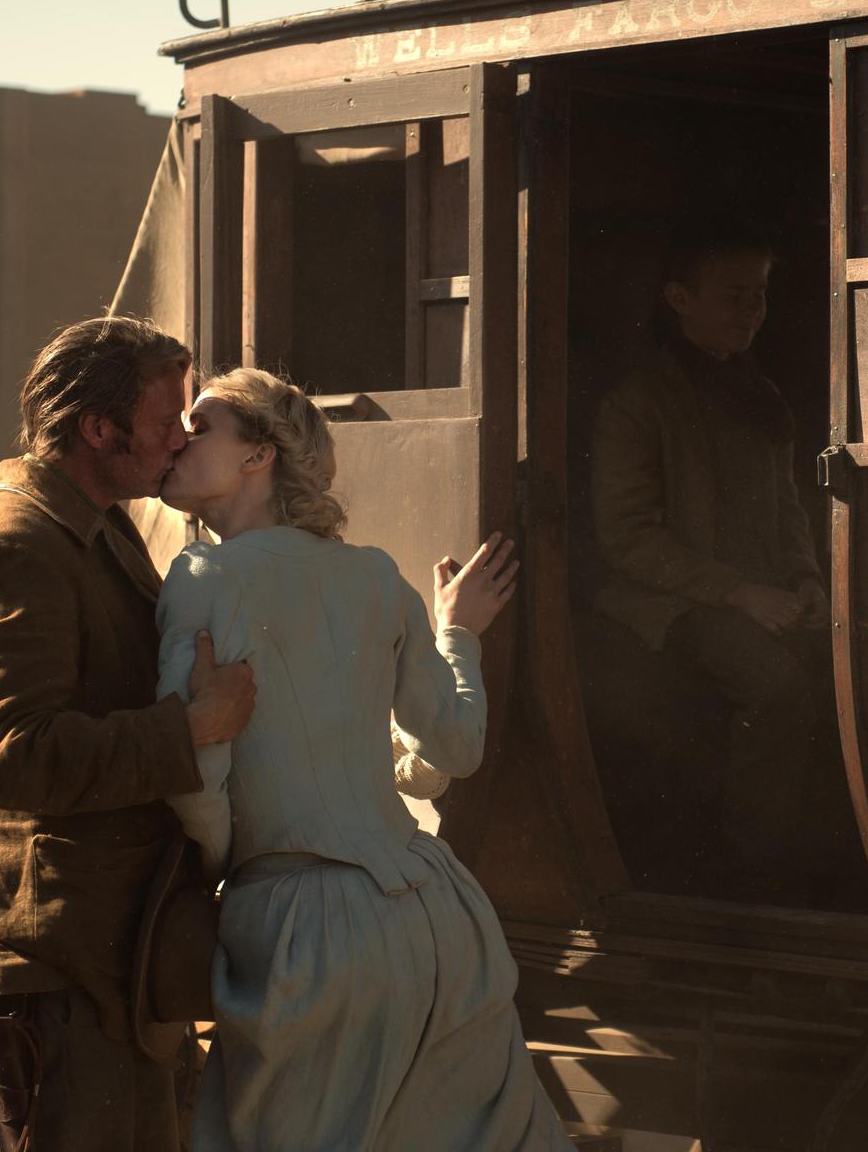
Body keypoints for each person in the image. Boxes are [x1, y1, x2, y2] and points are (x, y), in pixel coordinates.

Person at [155, 367, 570, 1152]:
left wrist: (209, 877)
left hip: (301, 936)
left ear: (258, 456)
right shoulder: (375, 575)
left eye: (201, 424)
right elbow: (453, 745)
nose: (179, 435)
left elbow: (201, 782)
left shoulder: (202, 577)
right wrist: (458, 635)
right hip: (439, 919)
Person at [0, 316, 259, 1152]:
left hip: (109, 952)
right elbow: (13, 756)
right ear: (98, 428)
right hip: (56, 964)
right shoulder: (16, 546)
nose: (179, 437)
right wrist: (186, 729)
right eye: (162, 421)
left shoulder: (95, 524)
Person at [590, 234, 854, 901]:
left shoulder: (762, 398)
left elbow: (790, 509)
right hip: (668, 603)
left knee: (847, 672)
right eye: (734, 294)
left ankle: (826, 866)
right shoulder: (638, 403)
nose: (751, 309)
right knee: (780, 688)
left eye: (760, 294)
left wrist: (807, 581)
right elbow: (629, 539)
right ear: (679, 299)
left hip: (761, 595)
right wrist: (737, 591)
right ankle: (753, 877)